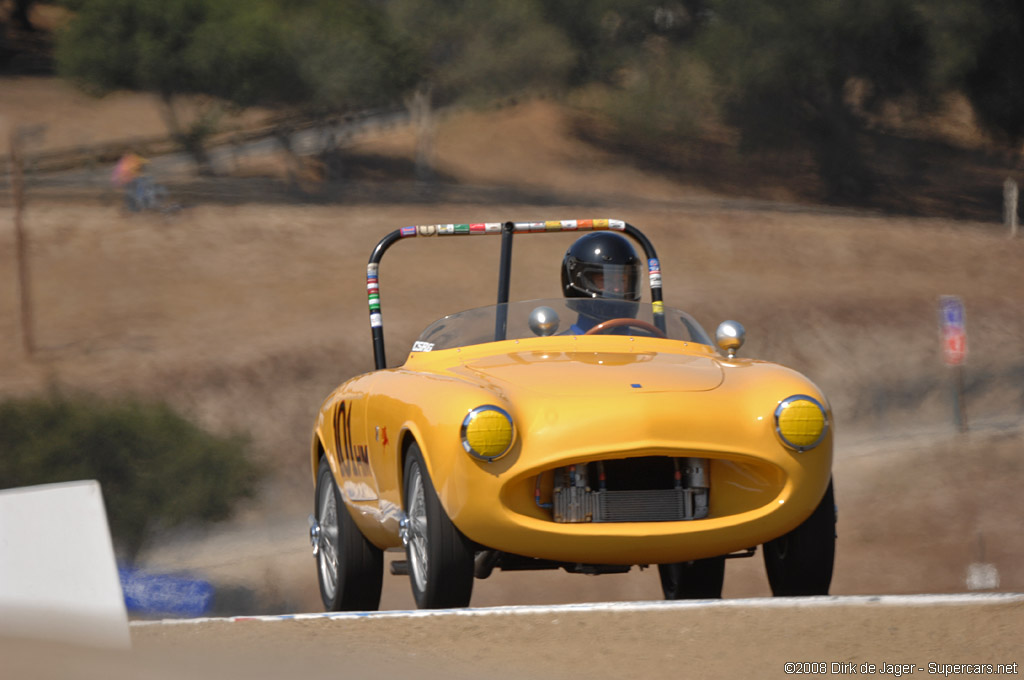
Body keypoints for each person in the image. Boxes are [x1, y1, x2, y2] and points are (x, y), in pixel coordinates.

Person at [561, 231, 642, 334]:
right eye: (606, 280)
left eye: (622, 281)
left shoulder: (649, 344)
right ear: (581, 282)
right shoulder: (559, 348)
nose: (616, 289)